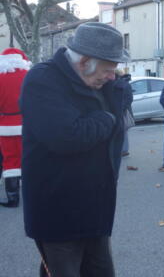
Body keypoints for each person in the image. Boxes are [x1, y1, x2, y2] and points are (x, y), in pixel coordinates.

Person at [20, 22, 130, 276]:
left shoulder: (102, 84)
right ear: (84, 62)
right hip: (58, 213)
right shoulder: (42, 80)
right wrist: (106, 120)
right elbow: (66, 136)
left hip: (96, 209)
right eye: (108, 69)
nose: (112, 76)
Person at [0, 48, 30, 207]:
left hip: (5, 125)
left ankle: (13, 199)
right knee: (28, 157)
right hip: (27, 124)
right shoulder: (28, 75)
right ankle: (33, 194)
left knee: (10, 160)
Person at [115, 69, 134, 157]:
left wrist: (121, 109)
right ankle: (122, 149)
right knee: (122, 130)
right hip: (122, 110)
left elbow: (129, 99)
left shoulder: (125, 84)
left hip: (123, 111)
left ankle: (124, 150)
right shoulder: (125, 83)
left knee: (123, 130)